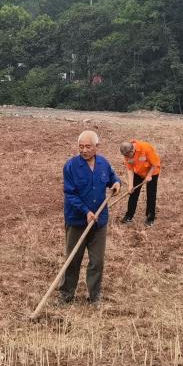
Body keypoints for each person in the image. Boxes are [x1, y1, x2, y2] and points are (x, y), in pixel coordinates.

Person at [60, 130, 122, 304]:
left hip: (99, 221)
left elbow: (112, 178)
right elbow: (70, 194)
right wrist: (86, 211)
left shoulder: (103, 163)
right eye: (81, 146)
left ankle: (94, 296)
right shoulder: (71, 166)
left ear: (97, 147)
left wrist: (116, 183)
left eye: (88, 146)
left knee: (97, 261)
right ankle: (66, 294)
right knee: (73, 259)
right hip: (77, 221)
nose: (84, 150)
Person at [118, 139, 161, 225]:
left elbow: (155, 164)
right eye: (125, 156)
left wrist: (149, 176)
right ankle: (129, 216)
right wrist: (130, 185)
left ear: (132, 150)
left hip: (152, 170)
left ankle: (150, 218)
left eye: (127, 155)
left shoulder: (146, 148)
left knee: (151, 194)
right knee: (133, 193)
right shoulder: (127, 153)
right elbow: (130, 169)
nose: (126, 157)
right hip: (138, 171)